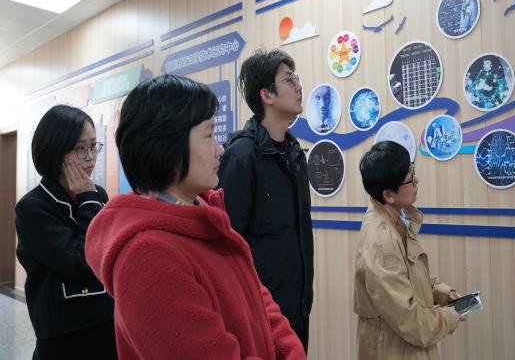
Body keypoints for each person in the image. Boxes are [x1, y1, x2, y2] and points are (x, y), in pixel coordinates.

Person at [85, 75, 306, 360]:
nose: (220, 150)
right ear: (168, 146)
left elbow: (261, 302)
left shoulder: (206, 218)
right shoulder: (148, 257)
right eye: (208, 134)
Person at [218, 49, 313, 352]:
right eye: (289, 79)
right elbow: (227, 243)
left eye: (297, 78)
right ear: (267, 95)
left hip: (298, 308)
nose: (298, 86)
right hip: (260, 313)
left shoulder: (295, 153)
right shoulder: (241, 156)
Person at [15, 104, 116, 360]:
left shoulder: (97, 194)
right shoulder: (33, 207)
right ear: (55, 151)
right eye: (80, 148)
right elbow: (81, 262)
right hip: (65, 332)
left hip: (107, 321)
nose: (90, 157)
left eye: (93, 146)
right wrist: (88, 201)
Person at [354, 141, 465, 360]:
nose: (416, 181)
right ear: (389, 195)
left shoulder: (395, 217)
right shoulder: (382, 242)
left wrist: (442, 293)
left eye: (412, 171)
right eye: (409, 178)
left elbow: (410, 274)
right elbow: (411, 321)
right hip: (395, 351)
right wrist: (450, 317)